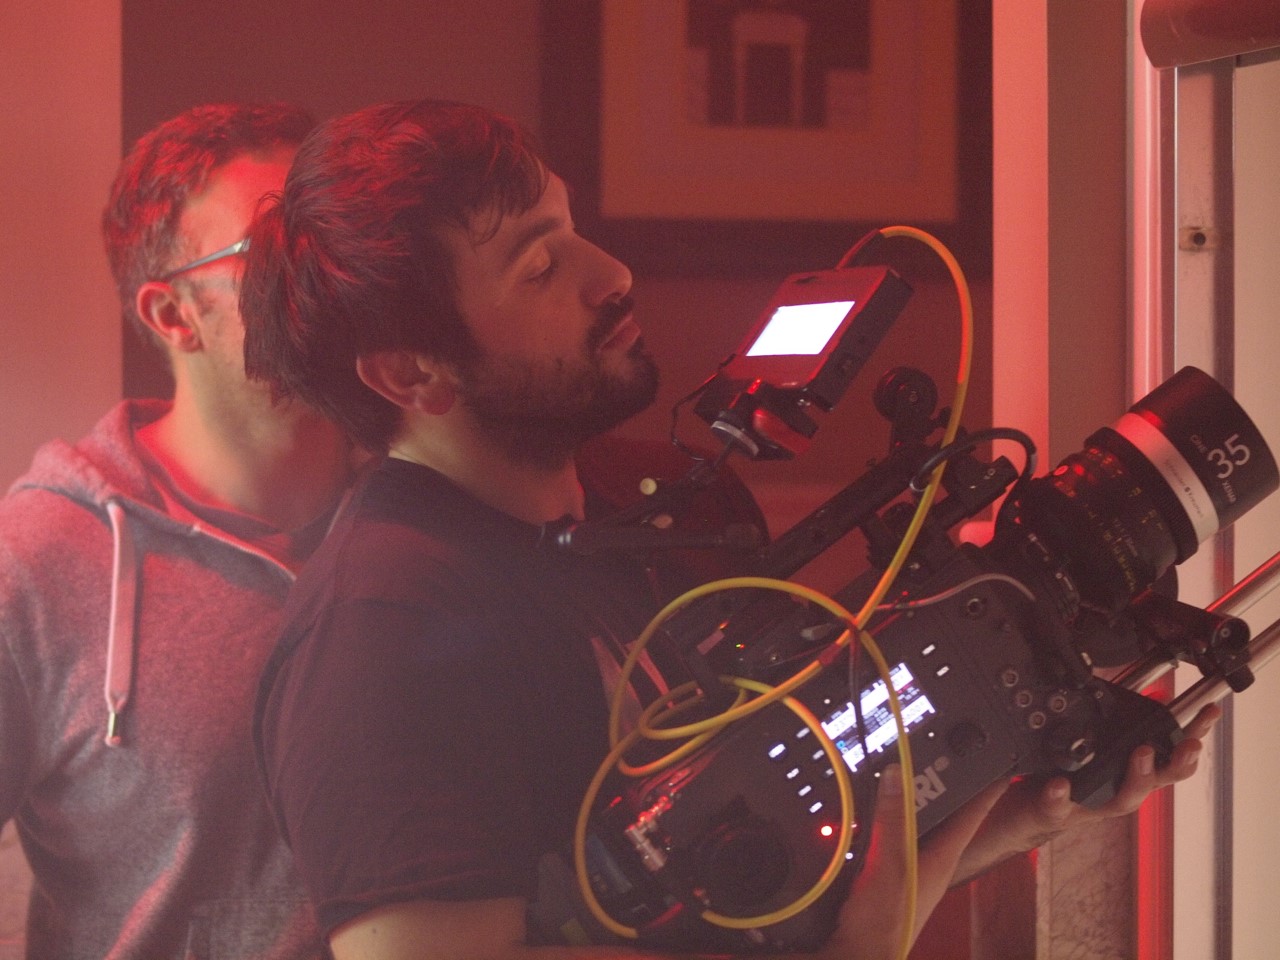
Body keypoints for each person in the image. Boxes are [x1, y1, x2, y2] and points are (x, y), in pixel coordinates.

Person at [241, 99, 1216, 960]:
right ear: (410, 375)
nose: (611, 273)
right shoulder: (379, 627)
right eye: (539, 266)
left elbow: (741, 902)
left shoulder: (622, 525)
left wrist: (1012, 820)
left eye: (571, 228)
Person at [0, 102, 356, 958]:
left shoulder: (438, 517)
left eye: (337, 238)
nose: (338, 275)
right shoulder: (36, 563)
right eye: (278, 249)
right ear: (173, 315)